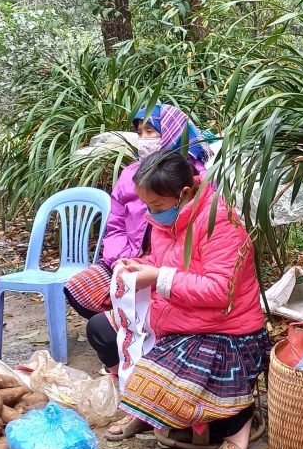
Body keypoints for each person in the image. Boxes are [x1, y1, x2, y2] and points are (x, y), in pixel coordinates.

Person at [85, 150, 269, 449]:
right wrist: (140, 266)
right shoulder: (164, 220)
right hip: (178, 320)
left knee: (166, 381)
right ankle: (145, 411)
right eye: (148, 205)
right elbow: (162, 261)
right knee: (101, 329)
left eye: (156, 206)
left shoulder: (219, 222)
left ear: (183, 194)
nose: (151, 213)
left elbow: (219, 291)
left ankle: (238, 423)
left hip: (227, 330)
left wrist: (158, 278)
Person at [64, 104, 213, 318]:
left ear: (173, 132)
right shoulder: (131, 174)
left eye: (151, 131)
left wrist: (155, 269)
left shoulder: (196, 178)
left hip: (171, 269)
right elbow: (115, 226)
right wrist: (122, 260)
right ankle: (125, 334)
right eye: (140, 132)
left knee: (136, 308)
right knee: (80, 290)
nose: (144, 138)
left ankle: (136, 331)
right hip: (128, 258)